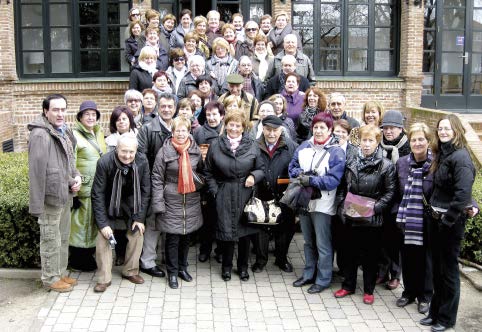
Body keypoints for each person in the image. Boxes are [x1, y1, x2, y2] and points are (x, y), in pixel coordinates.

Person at [420, 115, 476, 332]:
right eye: (440, 128)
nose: (443, 132)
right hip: (436, 220)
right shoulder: (442, 154)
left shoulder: (461, 157)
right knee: (437, 270)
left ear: (456, 131)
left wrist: (448, 220)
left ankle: (446, 318)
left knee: (449, 272)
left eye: (447, 128)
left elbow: (463, 194)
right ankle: (435, 312)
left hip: (450, 224)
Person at [334, 125, 396, 305]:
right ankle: (348, 285)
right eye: (364, 140)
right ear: (359, 141)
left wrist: (374, 208)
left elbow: (390, 193)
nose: (366, 144)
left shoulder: (386, 165)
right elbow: (342, 188)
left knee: (370, 257)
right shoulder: (351, 162)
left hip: (372, 219)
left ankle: (368, 290)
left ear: (377, 142)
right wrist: (341, 207)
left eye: (371, 141)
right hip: (351, 216)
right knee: (349, 253)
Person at [28, 94, 82, 292]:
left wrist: (75, 177)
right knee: (51, 238)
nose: (60, 114)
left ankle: (59, 272)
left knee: (63, 237)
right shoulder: (40, 135)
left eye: (63, 109)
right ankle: (50, 278)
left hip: (64, 194)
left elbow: (68, 163)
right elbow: (36, 171)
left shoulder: (64, 131)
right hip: (49, 199)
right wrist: (36, 206)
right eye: (55, 110)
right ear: (46, 111)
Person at [204, 110, 265, 282]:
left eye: (238, 125)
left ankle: (243, 267)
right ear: (226, 125)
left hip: (245, 193)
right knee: (227, 232)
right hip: (224, 191)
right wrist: (215, 190)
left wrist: (254, 176)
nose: (234, 128)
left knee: (244, 233)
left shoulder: (252, 144)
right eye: (231, 124)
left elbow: (261, 168)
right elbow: (208, 171)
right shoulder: (216, 144)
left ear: (243, 127)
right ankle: (227, 267)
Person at [289, 112, 346, 294]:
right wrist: (302, 176)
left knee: (323, 243)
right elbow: (292, 167)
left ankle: (323, 279)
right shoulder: (304, 146)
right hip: (304, 200)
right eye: (316, 127)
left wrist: (311, 181)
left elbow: (333, 180)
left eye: (323, 127)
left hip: (324, 203)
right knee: (307, 241)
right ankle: (308, 274)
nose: (319, 131)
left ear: (330, 130)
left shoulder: (336, 151)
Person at [91, 133, 151, 292]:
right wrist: (103, 224)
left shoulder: (142, 161)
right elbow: (97, 194)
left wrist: (139, 218)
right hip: (109, 201)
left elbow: (146, 191)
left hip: (132, 202)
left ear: (136, 150)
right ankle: (104, 278)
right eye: (124, 151)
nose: (127, 155)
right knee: (103, 237)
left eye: (131, 152)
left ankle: (130, 271)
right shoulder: (104, 162)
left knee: (137, 232)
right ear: (116, 149)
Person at [151, 117, 203, 289]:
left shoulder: (195, 150)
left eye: (184, 130)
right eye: (178, 130)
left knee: (186, 238)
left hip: (190, 200)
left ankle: (182, 268)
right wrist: (158, 203)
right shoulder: (164, 151)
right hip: (171, 199)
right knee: (172, 239)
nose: (181, 133)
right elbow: (157, 178)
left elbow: (202, 172)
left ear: (189, 131)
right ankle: (172, 273)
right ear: (172, 132)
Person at [394, 123, 434, 315]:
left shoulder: (437, 164)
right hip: (405, 218)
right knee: (408, 257)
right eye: (413, 140)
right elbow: (395, 191)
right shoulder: (402, 163)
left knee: (425, 259)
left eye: (421, 139)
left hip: (426, 220)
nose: (417, 143)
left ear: (428, 142)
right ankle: (409, 292)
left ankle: (425, 296)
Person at [137, 93, 177, 278]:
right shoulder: (147, 129)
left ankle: (167, 259)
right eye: (163, 106)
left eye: (170, 106)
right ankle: (147, 261)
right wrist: (152, 184)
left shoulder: (179, 127)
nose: (167, 109)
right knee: (153, 223)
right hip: (156, 183)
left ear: (175, 108)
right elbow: (142, 158)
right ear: (157, 108)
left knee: (170, 224)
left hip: (175, 185)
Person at [252, 115, 298, 273]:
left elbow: (297, 169)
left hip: (284, 194)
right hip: (261, 193)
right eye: (268, 130)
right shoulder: (254, 146)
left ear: (281, 130)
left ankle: (281, 259)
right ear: (262, 129)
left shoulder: (291, 146)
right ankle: (260, 260)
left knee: (285, 228)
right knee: (260, 228)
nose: (272, 133)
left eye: (275, 130)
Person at [69, 101, 106, 272]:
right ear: (80, 117)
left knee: (91, 224)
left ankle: (87, 256)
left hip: (98, 188)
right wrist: (74, 193)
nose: (91, 117)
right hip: (82, 190)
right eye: (87, 114)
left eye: (94, 114)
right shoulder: (74, 136)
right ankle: (78, 260)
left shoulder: (98, 133)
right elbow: (71, 163)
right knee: (80, 226)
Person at [377, 110, 410, 290]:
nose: (388, 131)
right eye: (386, 128)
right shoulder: (379, 146)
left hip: (399, 202)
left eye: (393, 128)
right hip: (381, 199)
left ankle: (396, 274)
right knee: (382, 238)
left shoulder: (407, 148)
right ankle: (382, 270)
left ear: (401, 129)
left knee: (396, 240)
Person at [193, 101, 225, 263]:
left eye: (215, 115)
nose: (212, 118)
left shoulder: (226, 131)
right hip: (205, 180)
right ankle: (205, 249)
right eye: (208, 115)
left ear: (222, 116)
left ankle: (220, 250)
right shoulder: (199, 132)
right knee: (207, 218)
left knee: (221, 218)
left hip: (222, 180)